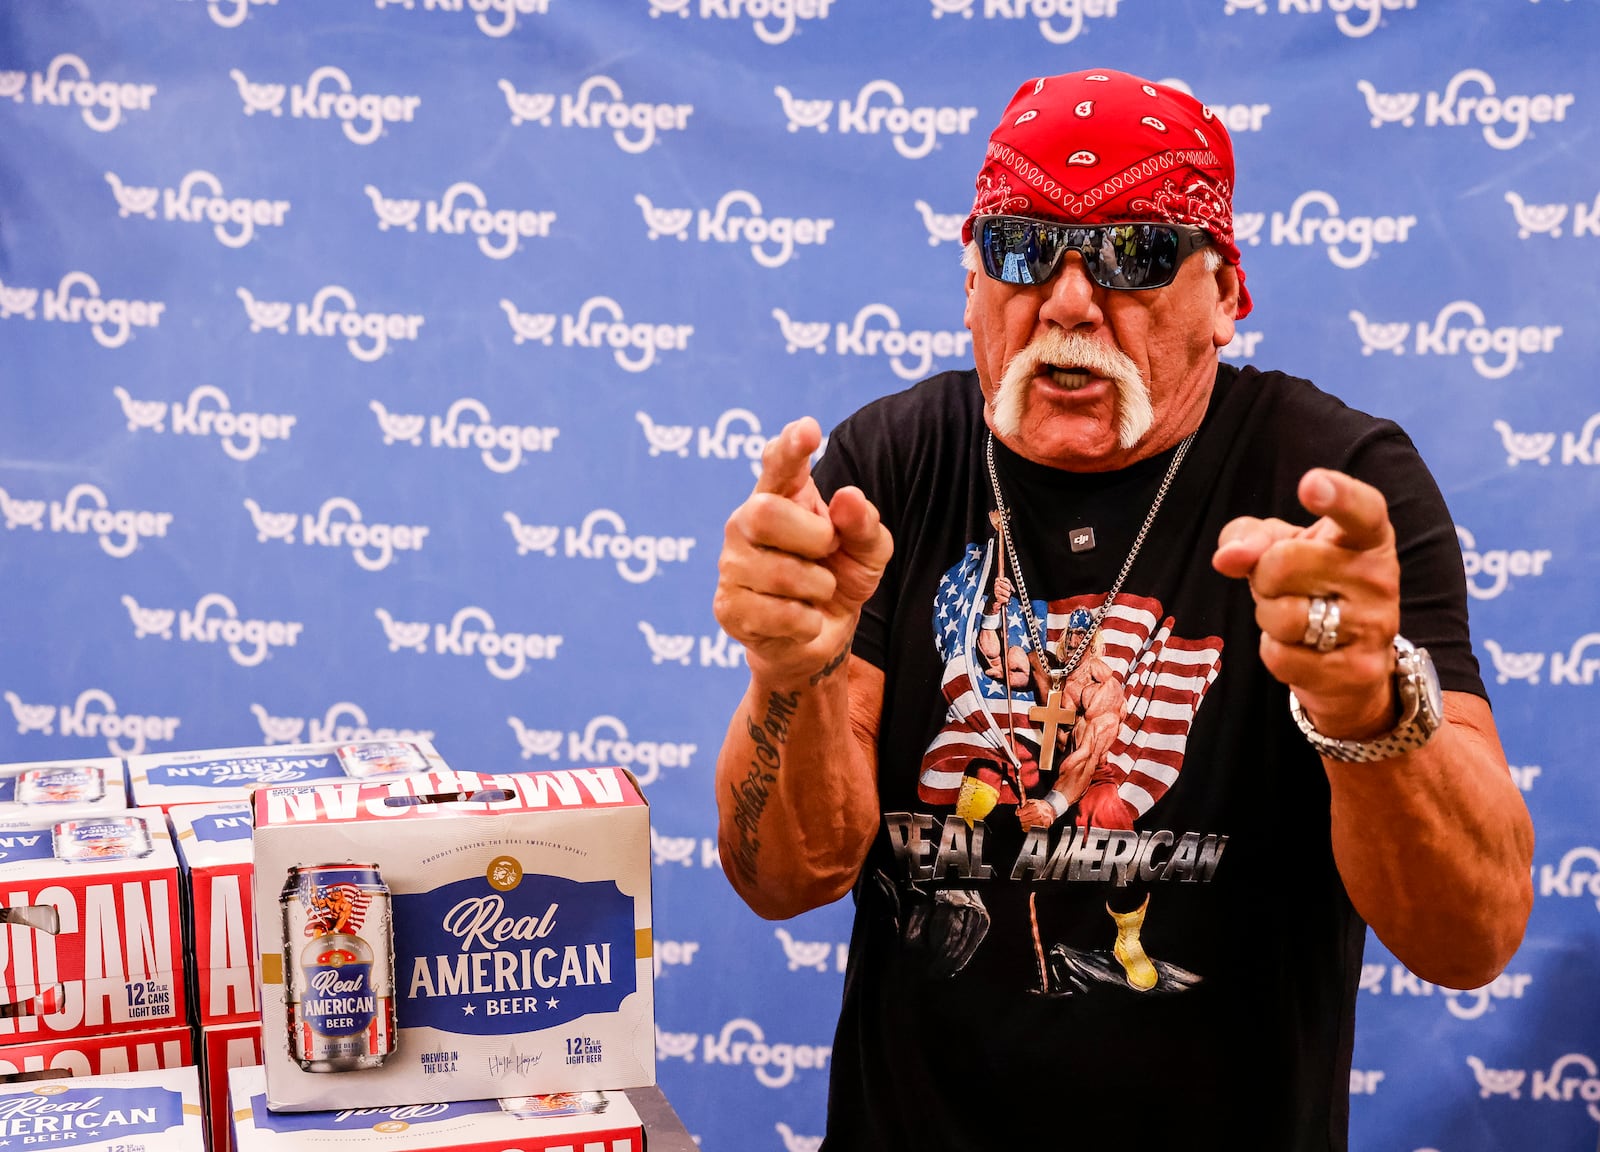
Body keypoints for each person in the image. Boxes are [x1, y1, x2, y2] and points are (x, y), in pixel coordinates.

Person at [712, 67, 1534, 1150]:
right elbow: (782, 877)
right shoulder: (889, 469)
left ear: (1227, 296)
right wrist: (792, 674)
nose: (1064, 301)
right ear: (968, 282)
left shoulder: (1329, 484)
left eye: (1134, 254)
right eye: (1018, 249)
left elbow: (1468, 939)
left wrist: (1365, 708)